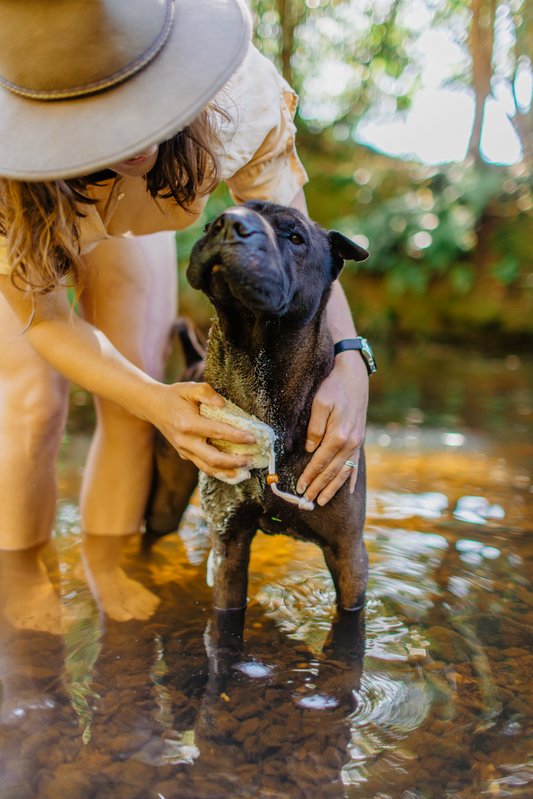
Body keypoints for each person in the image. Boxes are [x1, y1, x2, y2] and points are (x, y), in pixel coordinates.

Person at [0, 0, 369, 631]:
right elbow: (50, 320)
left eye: (145, 100)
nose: (137, 138)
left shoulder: (236, 98)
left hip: (133, 215)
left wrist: (351, 359)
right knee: (33, 405)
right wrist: (155, 400)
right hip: (38, 209)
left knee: (135, 398)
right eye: (105, 116)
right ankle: (22, 571)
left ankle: (109, 562)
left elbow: (305, 260)